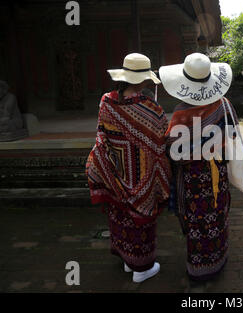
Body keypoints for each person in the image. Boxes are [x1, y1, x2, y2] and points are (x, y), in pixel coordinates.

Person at [85, 53, 171, 283]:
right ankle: (141, 268)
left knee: (120, 216)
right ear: (143, 80)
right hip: (143, 176)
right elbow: (162, 139)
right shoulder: (151, 108)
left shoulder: (106, 101)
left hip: (115, 173)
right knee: (141, 218)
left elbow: (101, 135)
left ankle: (127, 260)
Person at [159, 52, 236, 281]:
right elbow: (232, 134)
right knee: (217, 212)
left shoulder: (181, 113)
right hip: (217, 172)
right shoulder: (224, 106)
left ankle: (198, 267)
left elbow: (173, 149)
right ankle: (218, 259)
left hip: (192, 177)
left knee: (197, 219)